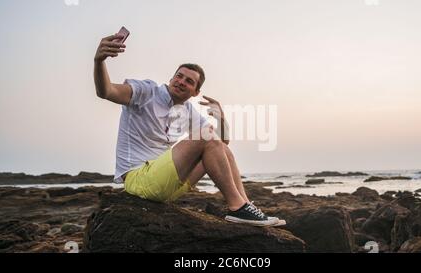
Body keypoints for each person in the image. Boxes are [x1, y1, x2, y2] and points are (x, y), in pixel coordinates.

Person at [93, 32, 283, 227]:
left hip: (168, 187)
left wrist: (222, 120)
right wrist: (99, 61)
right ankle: (237, 207)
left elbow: (220, 145)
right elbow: (106, 91)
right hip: (138, 180)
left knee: (221, 148)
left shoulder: (187, 111)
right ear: (172, 78)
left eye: (189, 81)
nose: (181, 81)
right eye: (179, 76)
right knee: (207, 137)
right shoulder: (146, 92)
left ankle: (245, 206)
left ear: (196, 92)